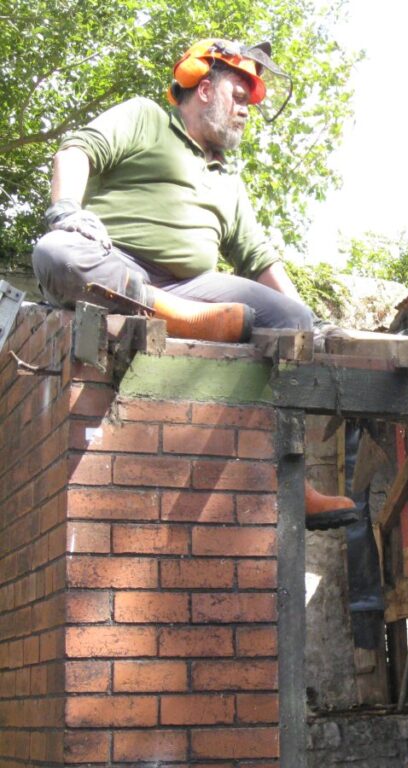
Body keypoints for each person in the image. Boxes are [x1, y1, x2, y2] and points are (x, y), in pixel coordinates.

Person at [31, 38, 355, 530]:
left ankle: (293, 482)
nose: (246, 111)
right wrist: (66, 212)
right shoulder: (145, 118)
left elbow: (258, 257)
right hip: (116, 266)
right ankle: (185, 321)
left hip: (194, 290)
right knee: (55, 252)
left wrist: (311, 322)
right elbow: (77, 150)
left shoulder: (229, 182)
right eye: (239, 98)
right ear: (204, 89)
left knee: (292, 320)